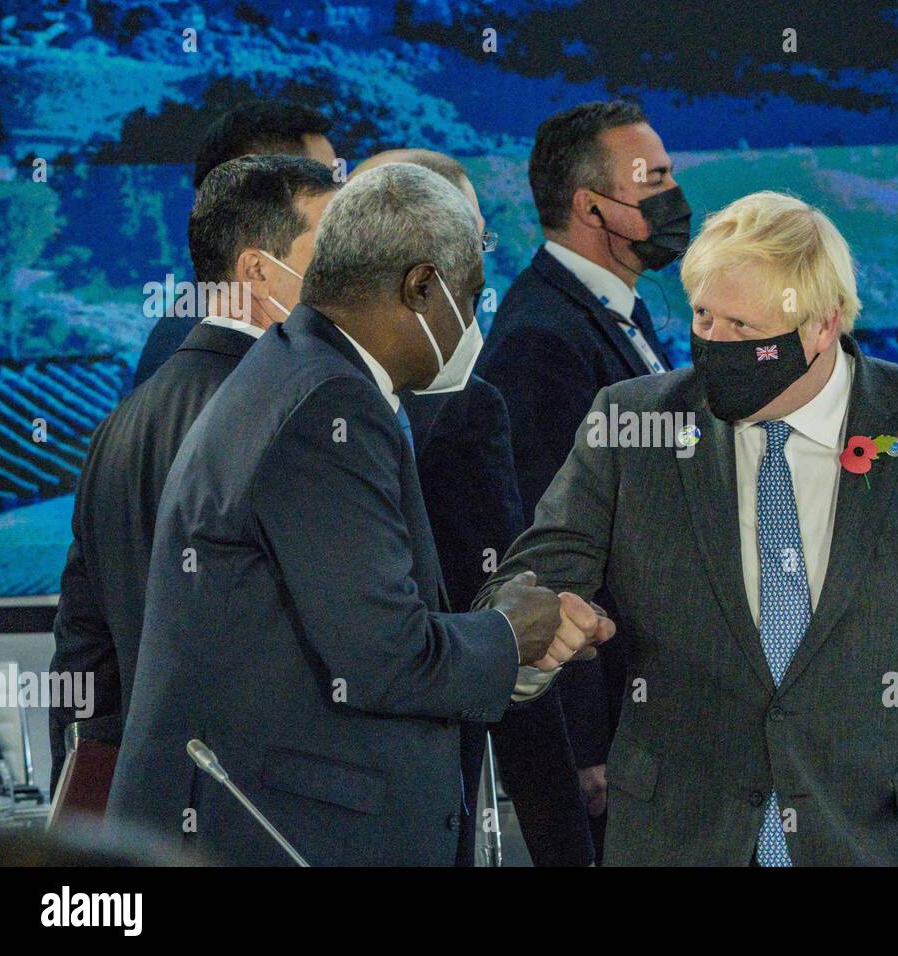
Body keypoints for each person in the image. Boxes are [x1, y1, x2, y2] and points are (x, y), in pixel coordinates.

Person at [476, 191, 898, 866]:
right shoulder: (632, 427)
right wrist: (531, 631)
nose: (713, 344)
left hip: (896, 846)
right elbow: (523, 592)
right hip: (681, 843)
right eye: (701, 318)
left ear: (821, 326)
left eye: (743, 331)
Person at [106, 163, 611, 866]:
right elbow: (386, 659)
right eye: (469, 300)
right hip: (283, 836)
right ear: (420, 288)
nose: (473, 326)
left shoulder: (299, 369)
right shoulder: (327, 405)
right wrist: (510, 632)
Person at [49, 155, 339, 790]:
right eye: (331, 247)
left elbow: (83, 649)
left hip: (154, 807)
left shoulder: (119, 426)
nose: (348, 269)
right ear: (259, 271)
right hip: (275, 811)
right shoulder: (295, 413)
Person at [349, 149, 591, 866]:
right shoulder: (466, 407)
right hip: (437, 752)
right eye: (470, 240)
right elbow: (509, 604)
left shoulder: (299, 389)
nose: (479, 261)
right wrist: (562, 835)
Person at [477, 99, 688, 860]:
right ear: (590, 205)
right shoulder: (543, 338)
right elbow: (547, 553)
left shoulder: (617, 314)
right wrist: (584, 742)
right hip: (608, 736)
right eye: (656, 179)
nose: (674, 198)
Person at [132, 99, 337, 388]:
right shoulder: (210, 358)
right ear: (257, 191)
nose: (340, 204)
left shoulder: (226, 330)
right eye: (323, 183)